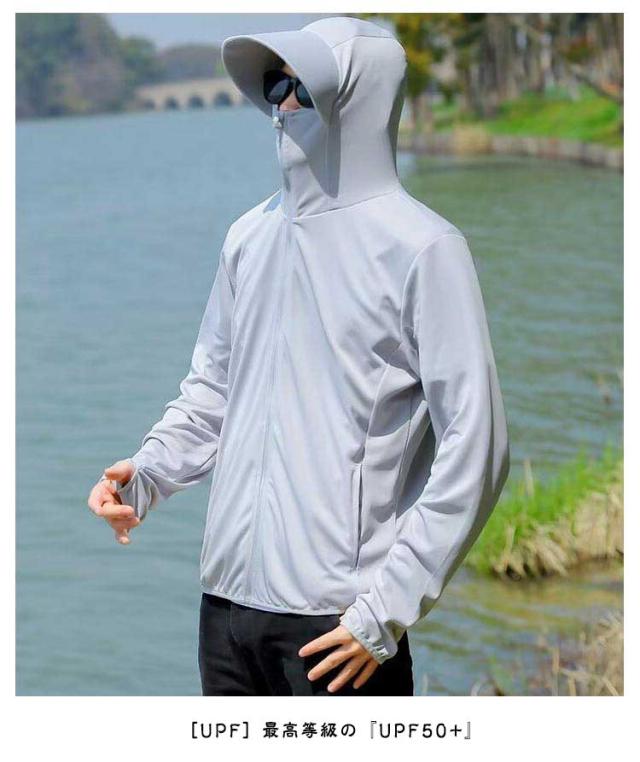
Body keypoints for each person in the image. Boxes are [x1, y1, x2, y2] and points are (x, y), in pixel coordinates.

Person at [87, 16, 510, 696]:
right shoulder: (249, 237)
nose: (282, 105)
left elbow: (477, 445)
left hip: (338, 625)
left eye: (303, 88)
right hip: (225, 610)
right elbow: (214, 390)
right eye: (275, 86)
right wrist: (146, 475)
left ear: (361, 97)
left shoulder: (423, 248)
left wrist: (385, 611)